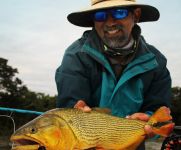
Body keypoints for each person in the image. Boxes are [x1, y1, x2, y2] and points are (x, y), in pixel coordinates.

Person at [55, 0, 172, 149]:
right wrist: (74, 109)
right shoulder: (76, 55)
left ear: (136, 15)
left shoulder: (156, 61)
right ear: (93, 20)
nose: (109, 22)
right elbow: (69, 108)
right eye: (100, 15)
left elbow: (161, 116)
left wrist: (149, 118)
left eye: (119, 12)